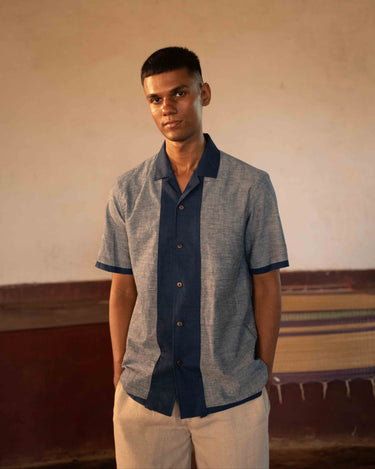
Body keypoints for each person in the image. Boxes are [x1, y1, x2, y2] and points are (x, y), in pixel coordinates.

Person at [96, 46, 289, 469]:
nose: (168, 108)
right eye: (155, 99)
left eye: (179, 93)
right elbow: (123, 288)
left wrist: (261, 372)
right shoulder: (127, 190)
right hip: (145, 395)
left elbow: (266, 284)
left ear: (204, 93)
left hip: (232, 394)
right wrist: (119, 372)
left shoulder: (251, 186)